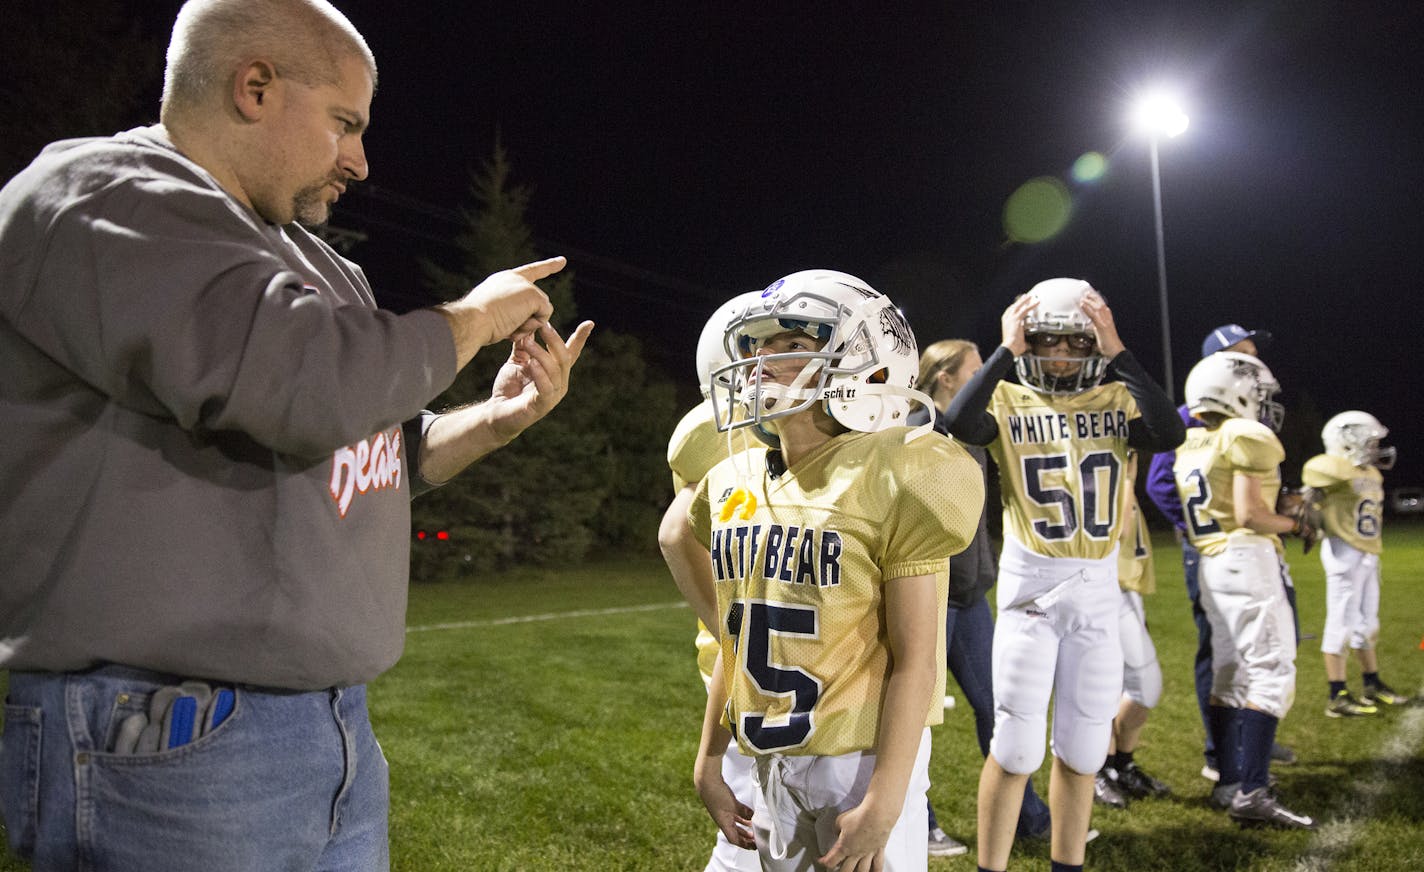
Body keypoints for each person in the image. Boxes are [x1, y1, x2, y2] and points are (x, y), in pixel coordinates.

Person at [0, 1, 594, 869]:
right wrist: (472, 318)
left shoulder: (311, 259)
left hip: (326, 729)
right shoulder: (102, 194)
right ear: (254, 87)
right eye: (344, 123)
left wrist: (492, 422)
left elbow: (362, 441)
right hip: (162, 736)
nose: (360, 159)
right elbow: (307, 385)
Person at [676, 269, 984, 871]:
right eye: (757, 347)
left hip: (860, 759)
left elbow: (919, 659)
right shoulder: (730, 481)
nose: (762, 363)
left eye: (791, 346)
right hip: (771, 757)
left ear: (866, 359)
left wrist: (886, 798)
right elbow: (735, 636)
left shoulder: (901, 471)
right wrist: (709, 759)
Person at [943, 278, 1184, 872]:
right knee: (1015, 745)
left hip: (1098, 592)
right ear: (1031, 341)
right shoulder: (1006, 400)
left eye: (1074, 344)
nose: (1060, 356)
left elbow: (1170, 432)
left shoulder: (1117, 402)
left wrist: (1118, 348)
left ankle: (1066, 866)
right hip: (1032, 592)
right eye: (1048, 342)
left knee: (1082, 753)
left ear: (1092, 348)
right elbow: (955, 421)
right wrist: (1005, 350)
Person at [911, 340, 1052, 857]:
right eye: (976, 372)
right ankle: (917, 825)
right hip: (928, 595)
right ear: (947, 378)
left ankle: (1028, 818)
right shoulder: (918, 426)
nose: (986, 383)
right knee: (915, 715)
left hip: (969, 597)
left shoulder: (971, 428)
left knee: (1000, 708)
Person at [1144, 323, 1297, 781]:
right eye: (1242, 358)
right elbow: (1164, 486)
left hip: (1218, 551)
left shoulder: (1203, 433)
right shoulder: (1231, 429)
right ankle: (1240, 773)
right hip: (1235, 550)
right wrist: (1201, 529)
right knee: (1259, 665)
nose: (1255, 369)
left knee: (1234, 667)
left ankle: (1237, 768)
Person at [1171, 353, 1316, 829]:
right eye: (1257, 392)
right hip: (1246, 557)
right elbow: (1251, 513)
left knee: (1230, 675)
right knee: (1271, 672)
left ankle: (1230, 780)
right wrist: (1295, 523)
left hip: (1211, 560)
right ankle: (1254, 791)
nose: (1263, 403)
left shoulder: (1194, 440)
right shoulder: (1244, 435)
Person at [659, 292, 763, 872]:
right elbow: (677, 532)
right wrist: (733, 634)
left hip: (751, 649)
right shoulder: (713, 433)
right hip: (756, 651)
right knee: (754, 832)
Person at [1302, 411, 1411, 717]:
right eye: (1370, 441)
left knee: (1367, 623)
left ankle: (1371, 683)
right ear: (1347, 440)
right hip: (1343, 551)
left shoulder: (1370, 473)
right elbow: (1313, 474)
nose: (1375, 447)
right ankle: (1337, 694)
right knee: (1341, 623)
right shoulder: (1330, 467)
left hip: (1367, 552)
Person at [1093, 450, 1172, 809]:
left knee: (1128, 686)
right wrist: (1126, 478)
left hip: (1124, 587)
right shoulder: (1106, 473)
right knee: (1132, 686)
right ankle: (1098, 769)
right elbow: (1118, 530)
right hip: (1105, 588)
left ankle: (1121, 764)